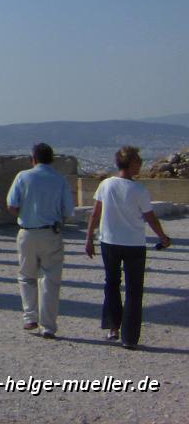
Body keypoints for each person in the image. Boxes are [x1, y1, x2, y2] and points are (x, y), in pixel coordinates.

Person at [84, 145, 171, 350]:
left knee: (112, 283)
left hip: (109, 241)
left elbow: (95, 214)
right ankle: (130, 337)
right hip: (133, 244)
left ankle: (113, 327)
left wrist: (88, 238)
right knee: (133, 290)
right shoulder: (139, 189)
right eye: (138, 161)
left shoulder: (106, 185)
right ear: (131, 164)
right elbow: (150, 217)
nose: (140, 165)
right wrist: (163, 237)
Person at [6, 143, 75, 339]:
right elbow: (68, 211)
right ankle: (48, 326)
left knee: (27, 275)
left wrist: (26, 213)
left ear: (33, 159)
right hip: (50, 232)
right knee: (50, 280)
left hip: (27, 231)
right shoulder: (59, 180)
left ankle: (30, 317)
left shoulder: (23, 176)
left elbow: (12, 205)